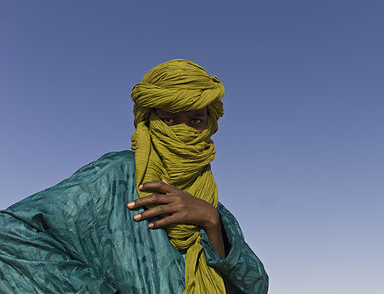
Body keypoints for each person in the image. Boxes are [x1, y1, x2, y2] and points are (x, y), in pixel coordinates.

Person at [0, 59, 269, 293]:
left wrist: (211, 221)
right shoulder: (115, 176)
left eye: (196, 120)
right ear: (149, 120)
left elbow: (254, 285)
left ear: (209, 125)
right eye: (170, 120)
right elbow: (9, 235)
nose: (182, 131)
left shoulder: (210, 202)